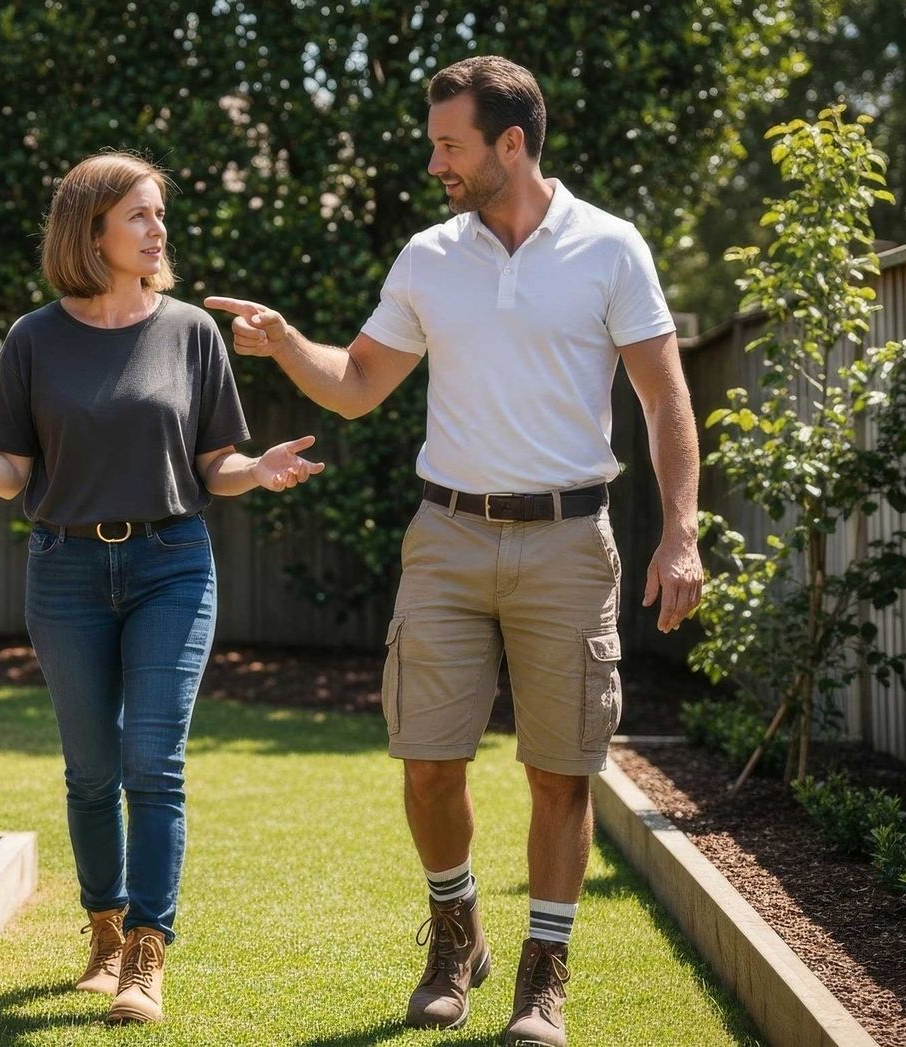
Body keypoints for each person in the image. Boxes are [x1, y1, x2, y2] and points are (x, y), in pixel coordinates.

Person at [205, 56, 703, 1047]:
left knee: (561, 773)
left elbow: (665, 401)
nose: (435, 160)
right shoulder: (430, 258)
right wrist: (288, 342)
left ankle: (543, 979)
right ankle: (454, 934)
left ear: (508, 145)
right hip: (446, 536)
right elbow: (354, 384)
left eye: (450, 144)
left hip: (569, 540)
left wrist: (681, 531)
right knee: (428, 761)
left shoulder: (610, 249)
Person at [0, 150, 323, 1026]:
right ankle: (101, 928)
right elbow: (12, 471)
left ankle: (145, 951)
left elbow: (218, 465)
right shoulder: (33, 338)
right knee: (92, 771)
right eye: (139, 215)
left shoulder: (191, 333)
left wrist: (263, 468)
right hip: (66, 570)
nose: (158, 230)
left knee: (153, 764)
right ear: (89, 229)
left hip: (174, 562)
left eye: (159, 214)